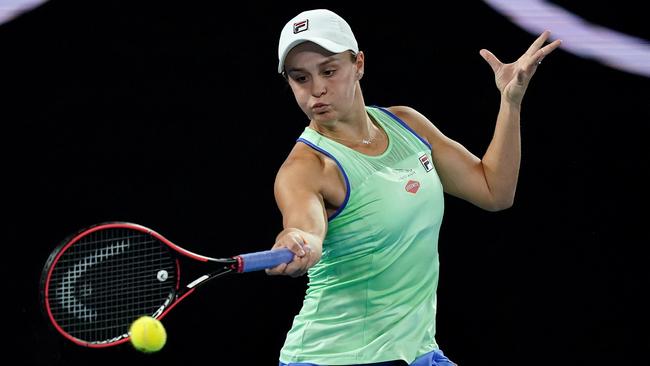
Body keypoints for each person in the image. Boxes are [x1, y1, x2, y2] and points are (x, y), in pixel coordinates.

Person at [266, 8, 561, 366]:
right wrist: (298, 242)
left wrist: (510, 103)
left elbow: (494, 191)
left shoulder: (407, 124)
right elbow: (304, 230)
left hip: (415, 352)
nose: (317, 89)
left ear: (358, 64)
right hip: (333, 357)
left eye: (329, 71)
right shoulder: (306, 168)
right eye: (300, 78)